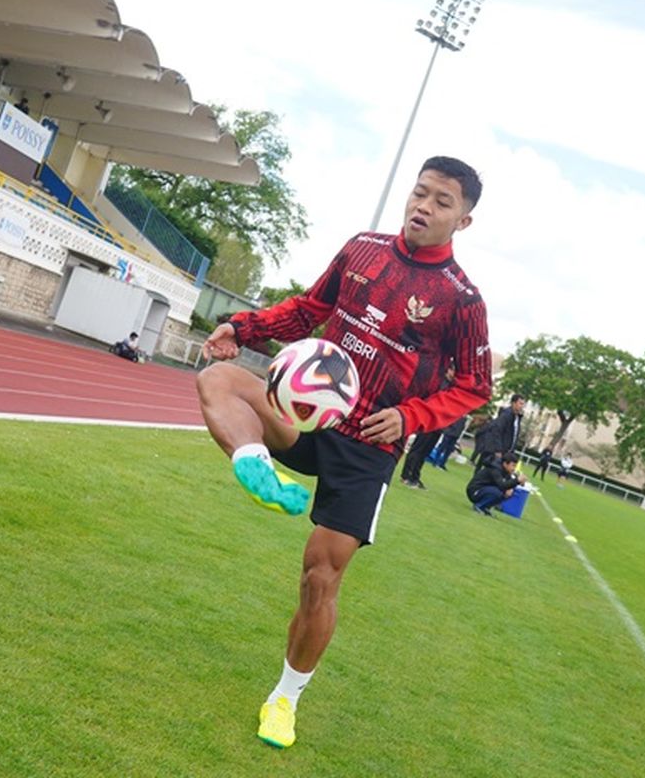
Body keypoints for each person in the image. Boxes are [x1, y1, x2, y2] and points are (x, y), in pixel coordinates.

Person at [193, 156, 491, 751]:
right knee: (218, 381)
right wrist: (243, 328)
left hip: (367, 450)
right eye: (420, 193)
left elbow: (475, 385)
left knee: (318, 579)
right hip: (306, 416)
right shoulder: (363, 250)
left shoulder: (461, 300)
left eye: (442, 202)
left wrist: (409, 416)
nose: (423, 207)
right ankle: (254, 465)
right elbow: (310, 309)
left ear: (464, 220)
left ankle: (284, 699)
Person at [471, 394, 525, 465]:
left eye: (523, 404)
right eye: (520, 403)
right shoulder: (506, 415)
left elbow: (514, 435)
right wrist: (498, 449)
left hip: (507, 451)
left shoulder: (517, 418)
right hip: (498, 450)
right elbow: (497, 431)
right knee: (489, 470)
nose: (522, 406)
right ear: (513, 403)